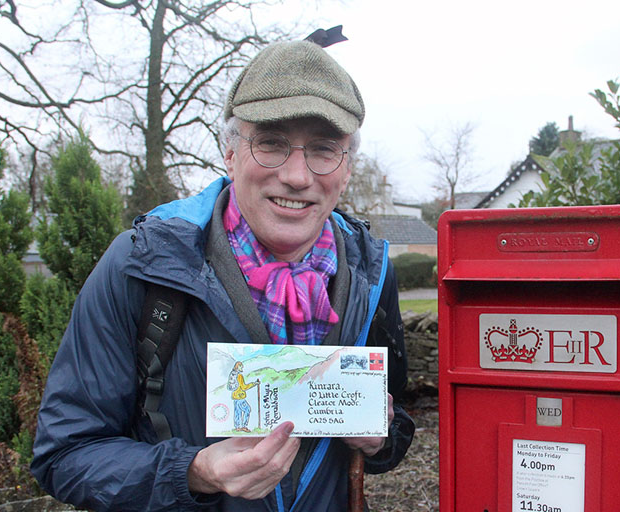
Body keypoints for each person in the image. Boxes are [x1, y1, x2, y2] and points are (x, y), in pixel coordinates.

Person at [30, 38, 415, 511]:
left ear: (347, 167)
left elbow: (395, 425)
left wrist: (379, 439)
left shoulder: (371, 274)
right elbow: (65, 455)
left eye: (323, 149)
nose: (297, 175)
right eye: (271, 143)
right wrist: (195, 472)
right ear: (229, 153)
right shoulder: (144, 265)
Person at [229, 362, 258, 432]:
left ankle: (237, 427)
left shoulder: (233, 374)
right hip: (240, 397)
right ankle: (244, 426)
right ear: (238, 367)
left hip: (235, 397)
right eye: (241, 367)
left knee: (237, 412)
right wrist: (254, 384)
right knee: (247, 409)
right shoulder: (239, 376)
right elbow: (244, 387)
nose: (242, 368)